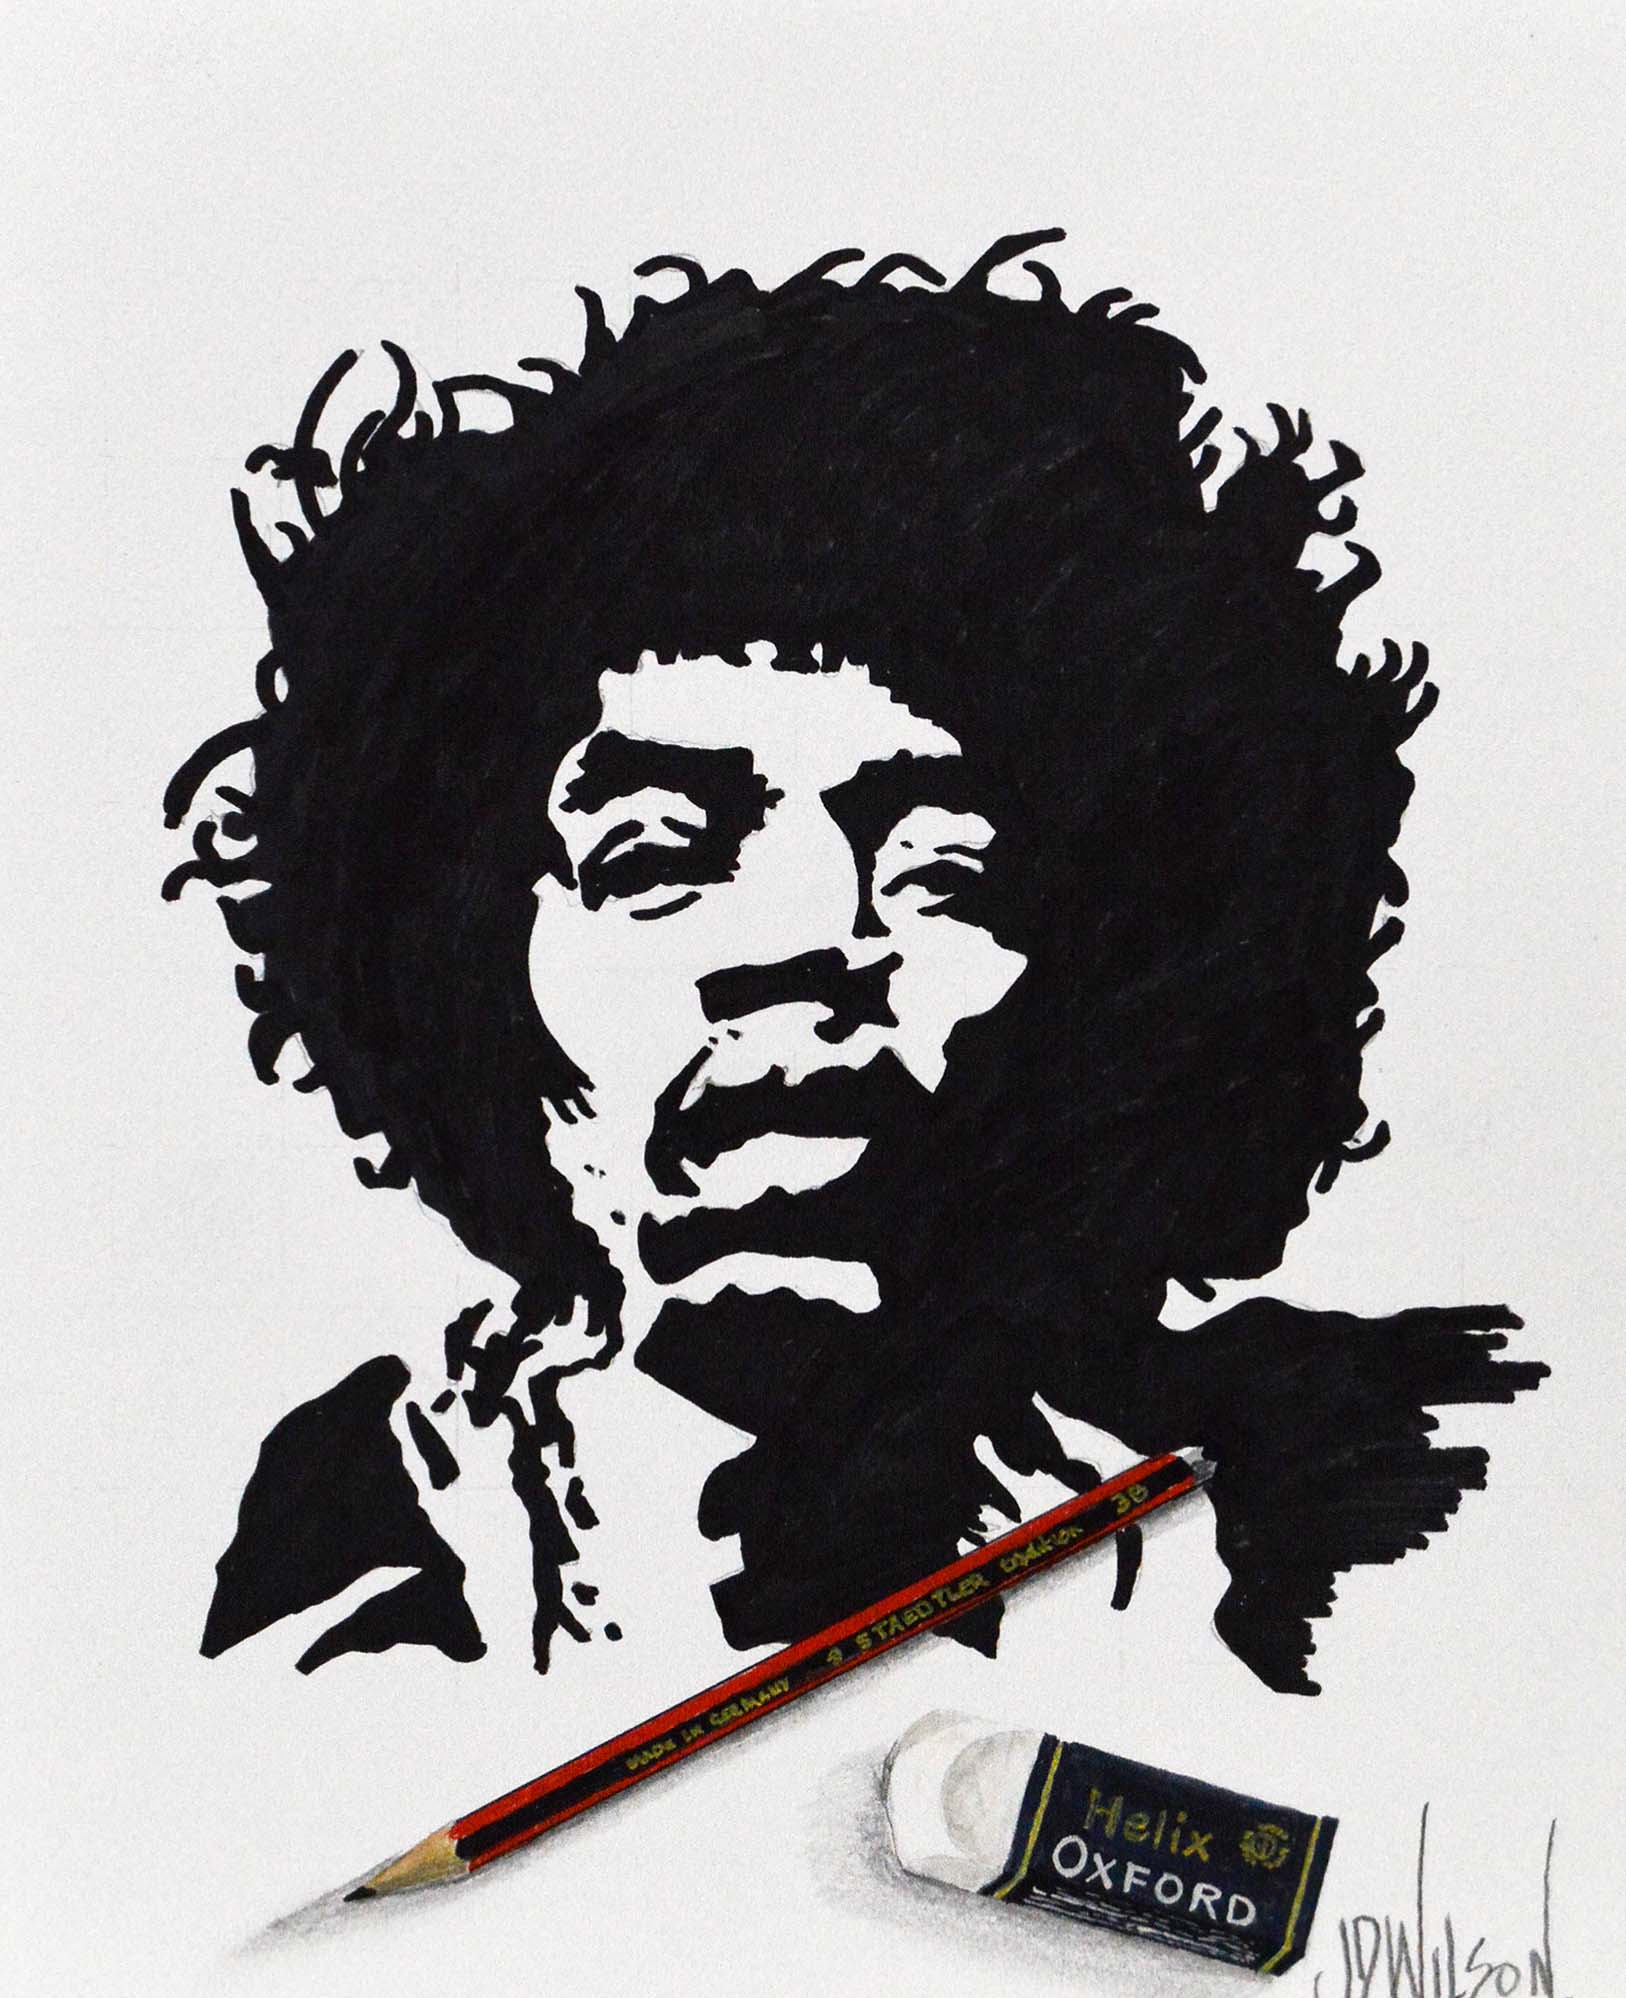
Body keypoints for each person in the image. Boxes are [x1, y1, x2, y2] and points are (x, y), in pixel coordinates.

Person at [165, 231, 1545, 1696]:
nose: (801, 947)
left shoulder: (1402, 1489)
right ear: (458, 976)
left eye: (942, 871)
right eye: (651, 857)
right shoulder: (348, 1540)